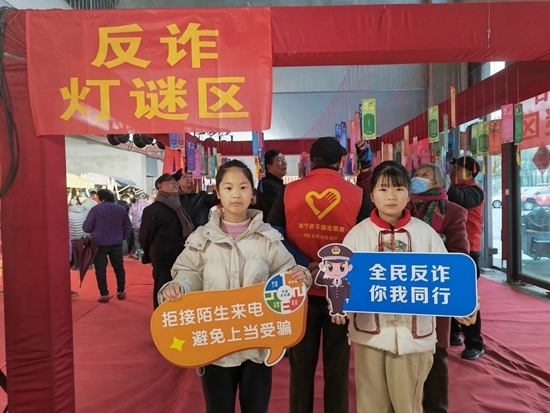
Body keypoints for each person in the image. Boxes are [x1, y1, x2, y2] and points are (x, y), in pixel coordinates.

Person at [160, 160, 311, 413]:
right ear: (218, 193)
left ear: (252, 193)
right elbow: (188, 272)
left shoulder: (268, 238)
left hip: (258, 342)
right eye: (228, 188)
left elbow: (285, 273)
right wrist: (179, 286)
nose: (236, 194)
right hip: (215, 343)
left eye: (243, 187)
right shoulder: (202, 237)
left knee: (256, 407)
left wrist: (299, 275)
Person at [268, 136, 371, 413]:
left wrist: (305, 263)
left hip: (299, 290)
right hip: (341, 294)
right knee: (337, 367)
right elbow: (365, 243)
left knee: (300, 367)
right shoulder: (357, 195)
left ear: (311, 161)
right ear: (340, 162)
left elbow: (274, 234)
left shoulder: (288, 192)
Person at [343, 161, 447, 413]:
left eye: (399, 189)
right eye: (383, 189)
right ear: (372, 195)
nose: (391, 196)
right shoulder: (356, 235)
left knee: (407, 406)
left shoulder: (426, 234)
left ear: (409, 194)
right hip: (370, 336)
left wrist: (468, 305)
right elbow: (341, 279)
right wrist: (337, 304)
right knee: (371, 406)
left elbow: (447, 278)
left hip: (413, 337)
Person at [409, 163, 470, 413]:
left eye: (424, 175)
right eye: (416, 175)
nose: (417, 178)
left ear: (438, 181)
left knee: (436, 353)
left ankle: (436, 407)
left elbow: (460, 254)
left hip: (435, 291)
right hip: (405, 289)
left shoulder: (452, 211)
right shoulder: (403, 207)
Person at [139, 169, 194, 309]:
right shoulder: (152, 210)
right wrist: (150, 254)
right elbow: (145, 236)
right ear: (160, 186)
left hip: (182, 256)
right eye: (169, 182)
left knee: (180, 290)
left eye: (175, 181)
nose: (174, 184)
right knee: (162, 290)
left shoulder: (178, 206)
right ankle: (160, 316)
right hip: (163, 259)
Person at [448, 156, 485, 360]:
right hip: (454, 247)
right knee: (448, 290)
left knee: (466, 295)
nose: (453, 172)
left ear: (470, 173)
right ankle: (453, 333)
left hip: (469, 250)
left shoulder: (474, 192)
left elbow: (458, 198)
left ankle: (474, 342)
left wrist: (442, 183)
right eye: (453, 169)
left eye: (458, 169)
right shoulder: (456, 189)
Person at [82, 189, 132, 303]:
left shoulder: (95, 210)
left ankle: (104, 294)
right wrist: (122, 237)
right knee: (119, 268)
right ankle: (121, 291)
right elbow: (128, 227)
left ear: (101, 198)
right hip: (116, 243)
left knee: (100, 269)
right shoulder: (121, 209)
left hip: (99, 244)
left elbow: (86, 228)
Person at [255, 149, 287, 221]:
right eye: (279, 160)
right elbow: (275, 213)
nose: (284, 163)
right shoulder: (266, 186)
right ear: (269, 167)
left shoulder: (274, 183)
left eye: (284, 159)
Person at [68, 197, 88, 270]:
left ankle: (76, 264)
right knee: (85, 247)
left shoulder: (67, 212)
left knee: (73, 248)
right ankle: (86, 263)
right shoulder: (84, 211)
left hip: (73, 235)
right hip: (83, 234)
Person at [128, 193, 149, 261]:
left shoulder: (134, 205)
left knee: (136, 240)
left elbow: (130, 215)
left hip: (135, 225)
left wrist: (131, 223)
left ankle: (139, 256)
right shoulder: (148, 205)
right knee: (146, 239)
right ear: (145, 198)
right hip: (146, 225)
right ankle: (146, 255)